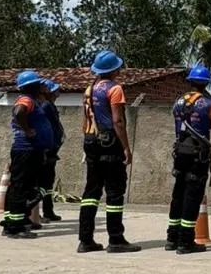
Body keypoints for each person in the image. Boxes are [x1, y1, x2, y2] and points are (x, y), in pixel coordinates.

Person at [78, 50, 141, 254]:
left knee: (91, 191)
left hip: (90, 140)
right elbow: (117, 120)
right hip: (109, 142)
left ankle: (85, 239)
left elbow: (87, 118)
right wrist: (126, 148)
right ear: (115, 69)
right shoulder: (115, 89)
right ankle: (116, 239)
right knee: (114, 191)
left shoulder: (89, 89)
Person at [166, 65, 211, 255]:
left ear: (190, 81)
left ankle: (171, 238)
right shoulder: (209, 104)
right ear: (207, 83)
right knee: (193, 196)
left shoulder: (178, 102)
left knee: (178, 194)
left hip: (180, 152)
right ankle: (185, 242)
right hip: (198, 156)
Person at [1, 71, 53, 239]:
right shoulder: (26, 100)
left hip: (31, 150)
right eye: (37, 83)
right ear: (31, 86)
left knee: (21, 186)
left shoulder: (33, 100)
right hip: (26, 150)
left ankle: (14, 221)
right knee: (21, 187)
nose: (40, 85)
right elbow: (18, 112)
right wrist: (29, 131)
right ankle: (14, 227)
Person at [39, 79, 65, 223]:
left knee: (48, 181)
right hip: (47, 149)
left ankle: (48, 210)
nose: (58, 93)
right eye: (55, 90)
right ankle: (37, 212)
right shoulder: (46, 106)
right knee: (43, 181)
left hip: (52, 149)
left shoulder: (50, 106)